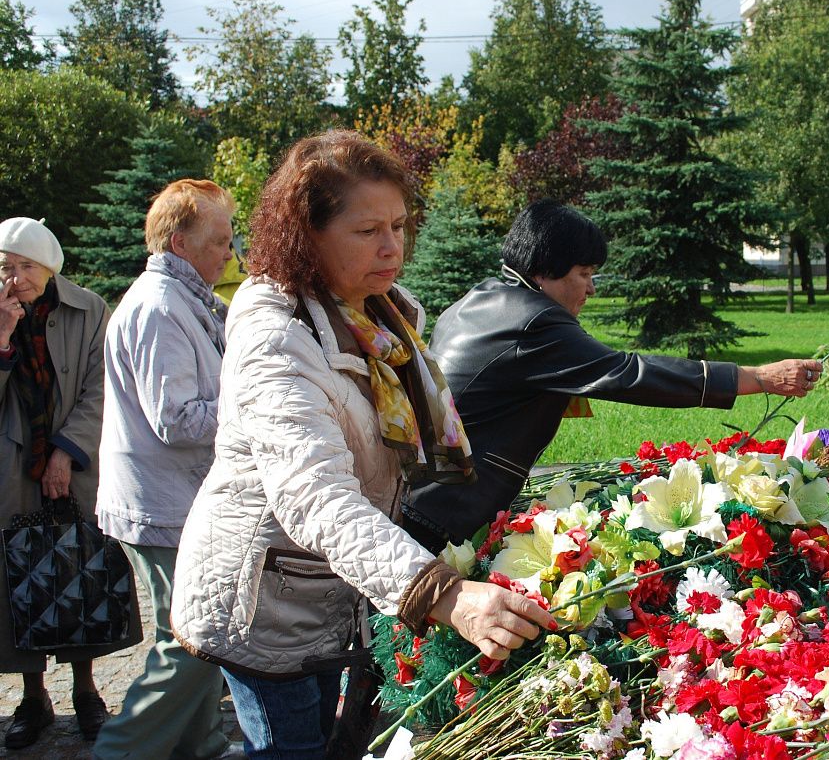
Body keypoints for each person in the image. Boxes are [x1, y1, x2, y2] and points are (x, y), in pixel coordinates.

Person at [171, 130, 554, 760]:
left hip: (326, 588)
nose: (392, 246)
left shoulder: (381, 316)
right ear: (306, 233)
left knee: (328, 741)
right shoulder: (276, 340)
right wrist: (442, 593)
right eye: (367, 230)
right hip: (263, 600)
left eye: (399, 225)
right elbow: (315, 497)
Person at [402, 200, 825, 551]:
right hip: (444, 517)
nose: (591, 289)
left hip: (422, 496)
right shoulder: (534, 321)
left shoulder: (483, 298)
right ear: (545, 270)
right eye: (583, 274)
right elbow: (627, 373)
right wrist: (758, 377)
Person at [92, 180, 239, 760]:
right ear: (180, 242)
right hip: (164, 503)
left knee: (188, 634)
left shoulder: (186, 299)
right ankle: (121, 751)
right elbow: (176, 419)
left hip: (176, 499)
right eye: (220, 241)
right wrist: (254, 405)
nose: (230, 253)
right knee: (195, 638)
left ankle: (198, 747)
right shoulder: (159, 306)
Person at [0, 217, 141, 749]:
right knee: (19, 576)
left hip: (76, 464)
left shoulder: (89, 310)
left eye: (26, 266)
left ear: (48, 265)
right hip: (11, 470)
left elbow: (101, 387)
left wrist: (65, 450)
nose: (17, 277)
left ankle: (87, 693)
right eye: (6, 267)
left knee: (79, 569)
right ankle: (33, 697)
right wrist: (3, 337)